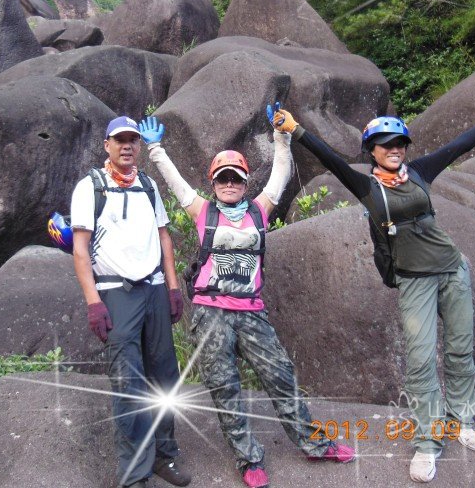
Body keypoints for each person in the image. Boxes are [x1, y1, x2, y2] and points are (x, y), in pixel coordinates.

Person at [269, 103, 475, 483]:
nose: (394, 148)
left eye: (399, 142)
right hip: (415, 280)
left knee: (460, 349)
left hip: (453, 271)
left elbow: (458, 146)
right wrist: (296, 129)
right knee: (420, 361)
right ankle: (427, 442)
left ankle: (463, 421)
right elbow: (331, 159)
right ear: (372, 150)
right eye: (385, 144)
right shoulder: (367, 187)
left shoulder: (418, 172)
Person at [138, 115, 356, 488]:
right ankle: (249, 459)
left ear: (244, 182)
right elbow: (176, 183)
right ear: (213, 182)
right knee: (225, 389)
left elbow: (280, 176)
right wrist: (156, 149)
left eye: (235, 178)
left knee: (281, 377)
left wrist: (280, 137)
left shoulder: (259, 210)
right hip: (211, 315)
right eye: (222, 178)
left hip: (252, 312)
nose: (229, 184)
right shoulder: (203, 212)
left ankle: (315, 444)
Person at [70, 116, 191, 488]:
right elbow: (80, 249)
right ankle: (135, 472)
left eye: (132, 140)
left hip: (154, 289)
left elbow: (164, 237)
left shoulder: (148, 186)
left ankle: (164, 455)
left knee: (165, 377)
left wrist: (173, 288)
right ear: (106, 145)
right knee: (128, 383)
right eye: (119, 140)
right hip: (115, 290)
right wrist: (93, 302)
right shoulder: (91, 187)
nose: (126, 146)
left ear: (138, 146)